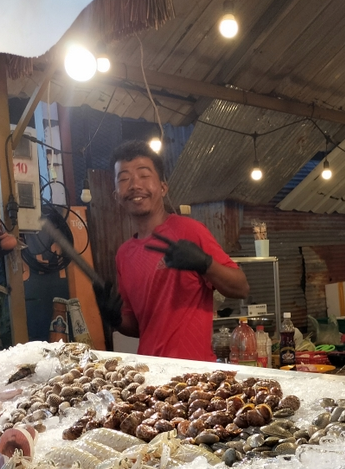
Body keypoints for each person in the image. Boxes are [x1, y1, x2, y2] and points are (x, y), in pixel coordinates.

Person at [96, 140, 249, 361]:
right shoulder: (124, 254)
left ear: (163, 187)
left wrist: (205, 264)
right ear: (116, 195)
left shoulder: (189, 231)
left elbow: (241, 287)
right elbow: (138, 328)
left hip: (195, 376)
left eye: (144, 175)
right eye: (124, 178)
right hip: (151, 374)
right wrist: (114, 319)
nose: (134, 185)